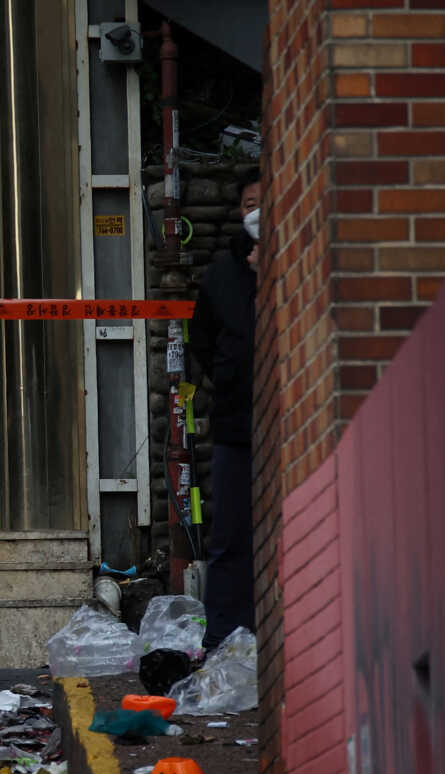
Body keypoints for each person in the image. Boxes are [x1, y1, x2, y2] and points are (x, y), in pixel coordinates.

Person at [189, 174, 261, 650]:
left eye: (267, 202)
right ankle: (223, 641)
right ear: (239, 211)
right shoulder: (221, 276)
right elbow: (203, 342)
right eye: (251, 202)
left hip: (291, 428)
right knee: (230, 539)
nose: (258, 211)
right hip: (238, 426)